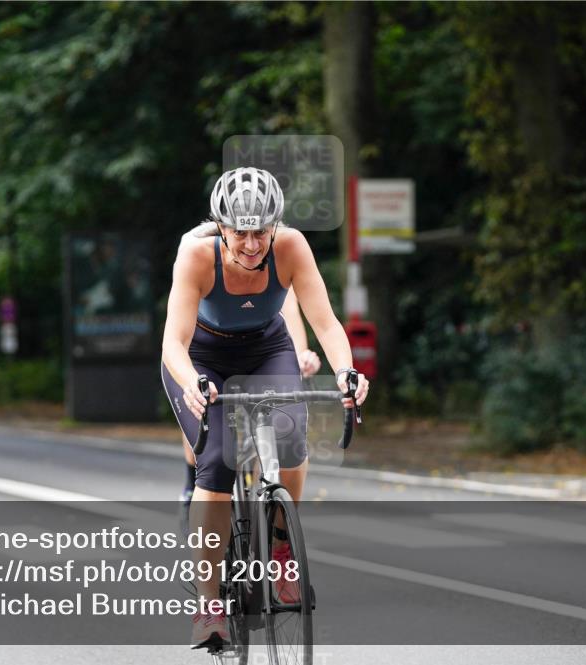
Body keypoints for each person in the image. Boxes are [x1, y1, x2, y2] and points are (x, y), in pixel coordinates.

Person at [161, 167, 369, 648]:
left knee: (293, 434)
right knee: (214, 468)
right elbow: (173, 341)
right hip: (201, 355)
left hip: (265, 347)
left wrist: (344, 371)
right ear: (220, 224)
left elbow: (327, 323)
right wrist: (192, 382)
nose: (252, 243)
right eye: (240, 231)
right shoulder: (197, 255)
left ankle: (279, 549)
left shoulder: (292, 247)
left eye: (261, 231)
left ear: (275, 225)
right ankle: (209, 605)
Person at [177, 285, 321, 508]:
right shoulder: (202, 257)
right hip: (208, 352)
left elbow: (290, 311)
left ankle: (264, 512)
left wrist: (301, 356)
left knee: (278, 431)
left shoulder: (276, 260)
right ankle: (192, 479)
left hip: (261, 353)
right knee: (201, 415)